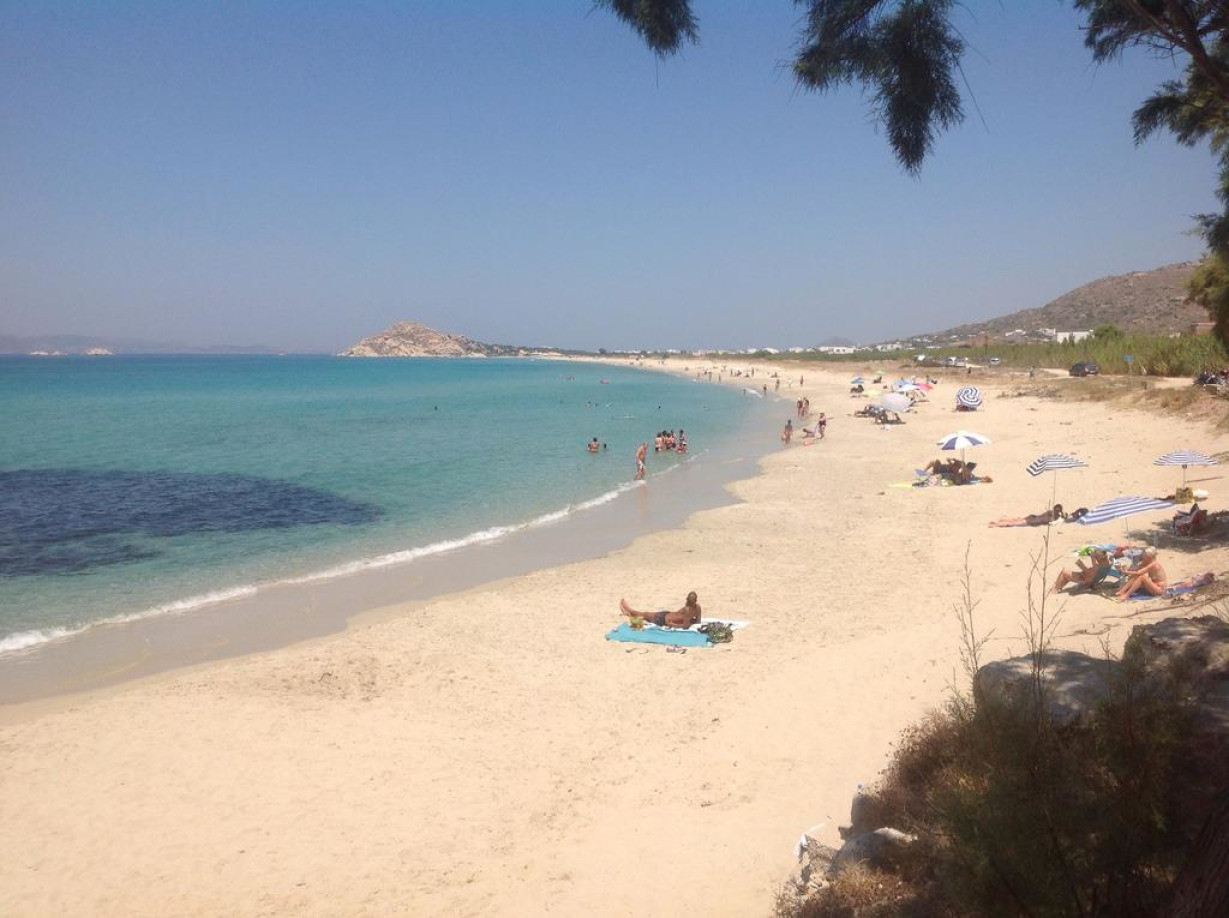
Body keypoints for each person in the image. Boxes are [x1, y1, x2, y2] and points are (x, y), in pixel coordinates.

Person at [620, 591, 702, 628]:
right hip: (666, 615)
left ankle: (629, 611)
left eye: (687, 600)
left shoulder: (687, 609)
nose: (686, 601)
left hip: (662, 619)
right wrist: (692, 621)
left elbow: (685, 626)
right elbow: (698, 621)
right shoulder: (697, 607)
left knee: (645, 615)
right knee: (646, 616)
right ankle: (630, 613)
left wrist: (672, 624)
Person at [990, 504, 1065, 527]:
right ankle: (996, 524)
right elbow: (1050, 522)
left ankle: (1000, 521)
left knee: (1016, 520)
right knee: (1014, 523)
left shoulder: (1054, 515)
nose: (1056, 511)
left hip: (1033, 519)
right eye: (1056, 509)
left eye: (1057, 510)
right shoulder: (1050, 514)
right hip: (1032, 520)